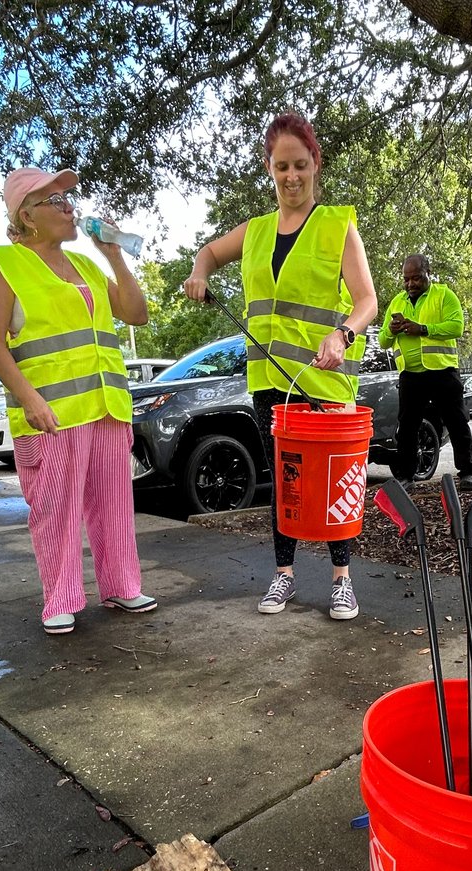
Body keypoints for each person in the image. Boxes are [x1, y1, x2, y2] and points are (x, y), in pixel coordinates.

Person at [182, 113, 378, 621]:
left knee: (337, 486)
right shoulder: (254, 231)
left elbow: (367, 301)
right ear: (269, 169)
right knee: (287, 484)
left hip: (327, 382)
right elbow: (206, 252)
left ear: (315, 163)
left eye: (300, 164)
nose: (291, 176)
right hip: (271, 382)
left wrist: (343, 333)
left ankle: (341, 582)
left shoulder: (338, 225)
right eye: (280, 166)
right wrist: (199, 272)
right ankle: (285, 576)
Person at [0, 167, 153, 635]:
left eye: (68, 197)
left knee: (113, 502)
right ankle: (60, 597)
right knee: (55, 507)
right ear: (26, 215)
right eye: (55, 200)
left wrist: (115, 257)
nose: (69, 206)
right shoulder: (2, 262)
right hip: (50, 413)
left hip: (106, 406)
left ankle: (120, 584)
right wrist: (29, 398)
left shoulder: (88, 265)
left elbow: (136, 313)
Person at [379, 254, 472, 490]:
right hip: (411, 375)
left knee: (457, 422)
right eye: (406, 279)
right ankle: (406, 476)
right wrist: (392, 330)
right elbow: (383, 340)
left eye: (416, 278)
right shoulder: (396, 303)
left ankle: (468, 473)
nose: (410, 283)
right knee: (407, 427)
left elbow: (457, 327)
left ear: (428, 273)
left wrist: (423, 329)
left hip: (442, 371)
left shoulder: (444, 295)